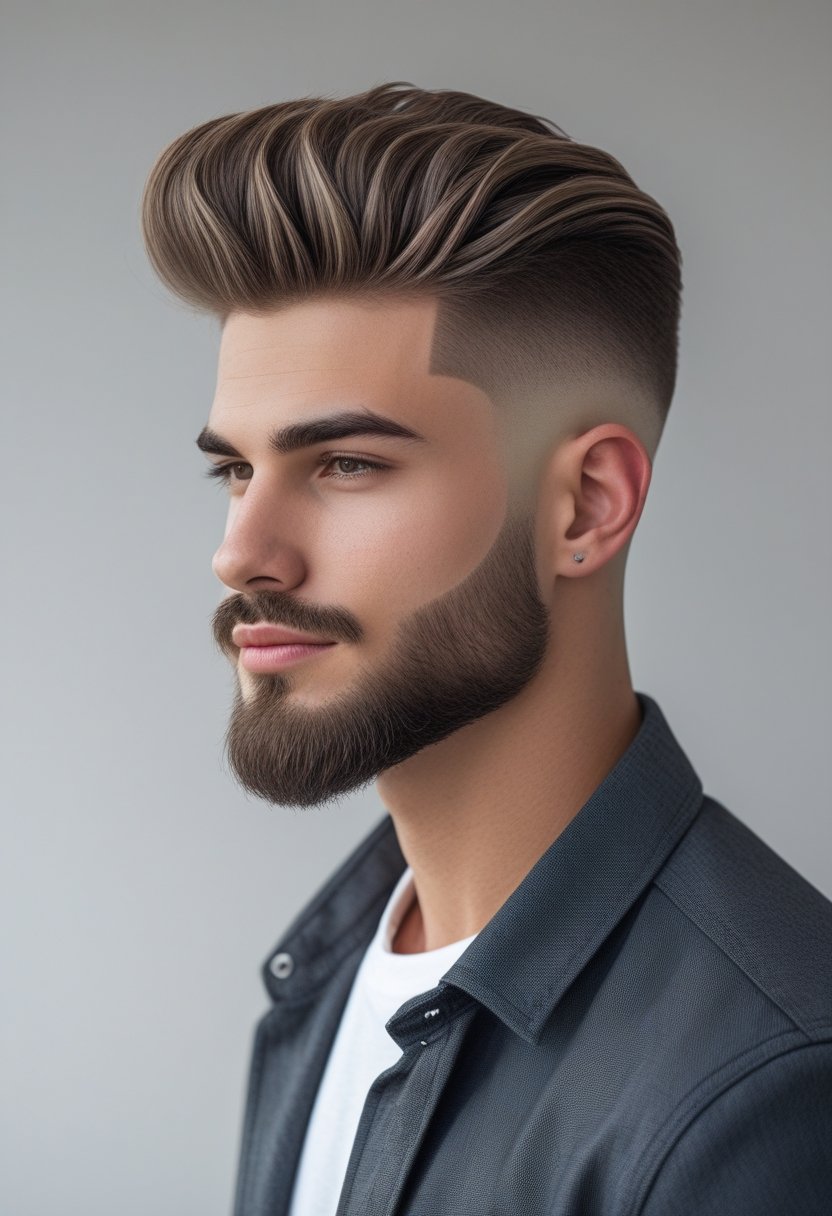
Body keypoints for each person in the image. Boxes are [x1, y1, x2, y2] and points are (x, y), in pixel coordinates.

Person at [140, 82, 832, 1216]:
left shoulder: (759, 1090)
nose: (241, 551)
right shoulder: (329, 971)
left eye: (346, 464)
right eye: (235, 470)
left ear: (582, 508)